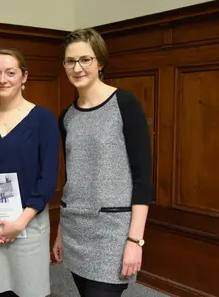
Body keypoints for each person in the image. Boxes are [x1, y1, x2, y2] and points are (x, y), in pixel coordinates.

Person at [52, 28, 153, 297]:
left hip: (112, 234)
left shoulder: (125, 104)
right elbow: (72, 177)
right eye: (70, 61)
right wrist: (61, 232)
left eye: (85, 59)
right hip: (75, 228)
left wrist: (135, 240)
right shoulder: (66, 116)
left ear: (100, 62)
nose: (77, 68)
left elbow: (142, 179)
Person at [0, 48, 60, 297]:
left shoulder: (43, 119)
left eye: (10, 72)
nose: (3, 79)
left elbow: (48, 178)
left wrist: (20, 223)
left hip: (27, 225)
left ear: (24, 77)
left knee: (28, 292)